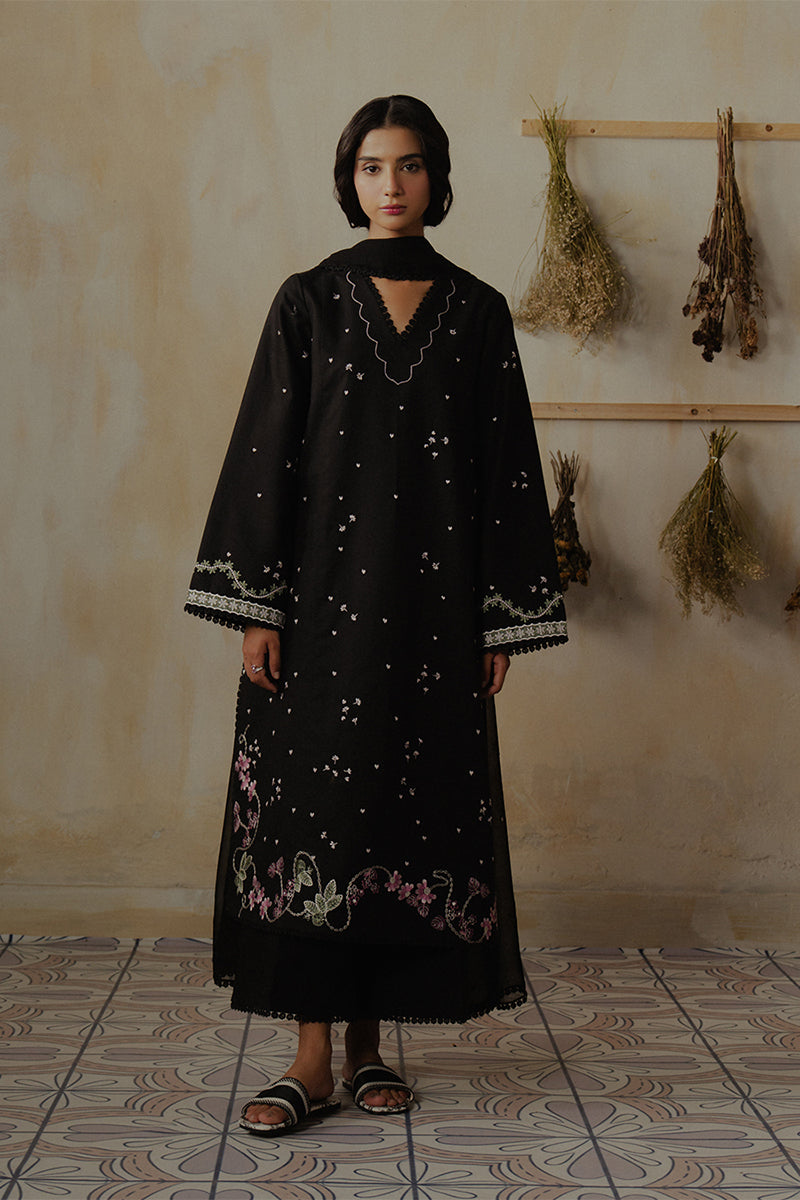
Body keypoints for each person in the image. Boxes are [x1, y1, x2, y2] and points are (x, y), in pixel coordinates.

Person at [186, 95, 567, 1137]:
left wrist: (497, 621)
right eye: (369, 166)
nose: (388, 185)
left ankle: (366, 1050)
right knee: (316, 816)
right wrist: (257, 611)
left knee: (405, 817)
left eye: (407, 165)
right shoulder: (306, 302)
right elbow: (265, 454)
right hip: (316, 611)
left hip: (432, 620)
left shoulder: (479, 312)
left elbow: (505, 472)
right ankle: (307, 1058)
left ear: (437, 178)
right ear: (347, 179)